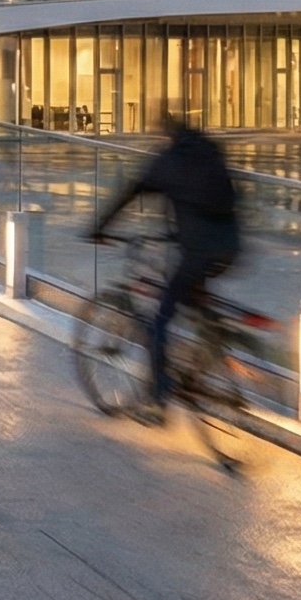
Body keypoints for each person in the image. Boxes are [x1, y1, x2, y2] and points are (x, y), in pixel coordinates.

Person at [88, 119, 241, 412]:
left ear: (166, 135)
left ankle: (159, 395)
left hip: (197, 253)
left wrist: (99, 227)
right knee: (194, 301)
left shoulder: (169, 161)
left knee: (160, 320)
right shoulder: (210, 153)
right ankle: (202, 356)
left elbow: (131, 192)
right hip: (230, 249)